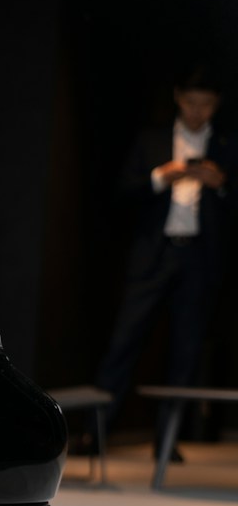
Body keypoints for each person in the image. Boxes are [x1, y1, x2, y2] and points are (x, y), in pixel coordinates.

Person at [94, 69, 236, 457]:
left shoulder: (227, 145)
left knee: (185, 350)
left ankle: (167, 440)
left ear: (216, 105)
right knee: (123, 342)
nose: (197, 111)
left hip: (199, 258)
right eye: (191, 101)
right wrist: (162, 176)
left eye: (205, 103)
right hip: (152, 255)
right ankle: (97, 433)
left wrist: (220, 184)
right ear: (178, 97)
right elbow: (122, 192)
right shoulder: (151, 140)